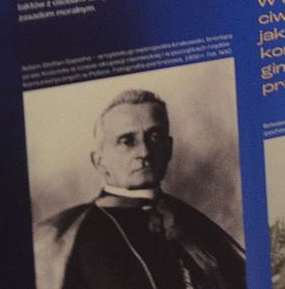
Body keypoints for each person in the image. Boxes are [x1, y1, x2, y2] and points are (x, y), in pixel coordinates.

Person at [33, 90, 247, 289]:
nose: (144, 152)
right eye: (127, 141)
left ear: (169, 148)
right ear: (99, 161)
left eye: (154, 137)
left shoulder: (193, 223)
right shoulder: (68, 237)